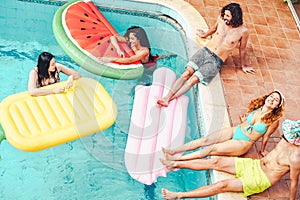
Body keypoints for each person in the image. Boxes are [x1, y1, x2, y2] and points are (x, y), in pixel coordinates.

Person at [160, 122, 300, 200]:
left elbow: (294, 183)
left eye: (289, 136)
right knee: (215, 162)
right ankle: (175, 163)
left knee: (221, 185)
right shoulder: (285, 140)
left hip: (261, 178)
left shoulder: (295, 158)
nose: (284, 136)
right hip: (254, 164)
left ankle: (179, 195)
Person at [157, 3, 255, 107]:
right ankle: (166, 97)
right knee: (186, 73)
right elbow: (213, 29)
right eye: (224, 15)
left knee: (193, 80)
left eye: (228, 16)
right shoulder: (221, 20)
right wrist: (204, 34)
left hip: (216, 60)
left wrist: (243, 66)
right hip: (205, 51)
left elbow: (242, 49)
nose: (225, 18)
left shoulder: (243, 31)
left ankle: (169, 100)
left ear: (235, 17)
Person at [162, 90, 285, 161]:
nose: (272, 99)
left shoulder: (273, 121)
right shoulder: (258, 107)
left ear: (276, 107)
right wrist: (243, 121)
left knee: (211, 149)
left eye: (276, 100)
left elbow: (266, 137)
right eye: (271, 96)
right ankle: (173, 151)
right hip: (236, 130)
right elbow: (248, 123)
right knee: (205, 140)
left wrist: (262, 151)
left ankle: (177, 159)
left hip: (244, 142)